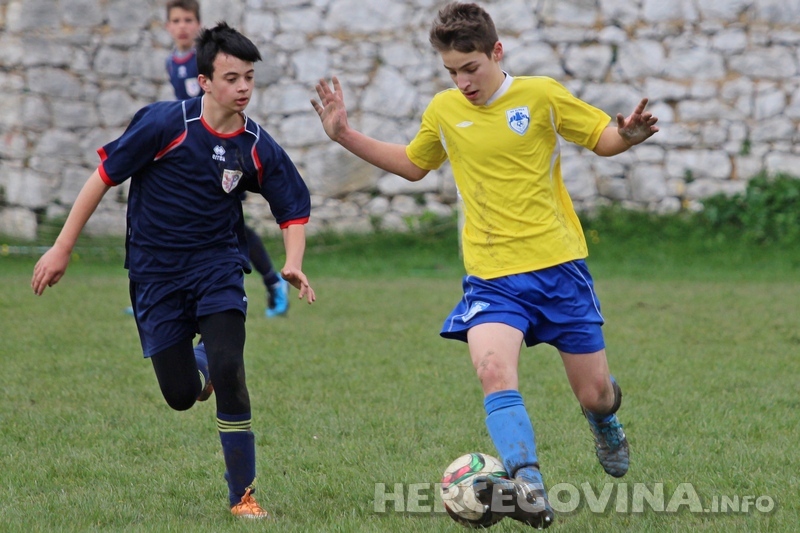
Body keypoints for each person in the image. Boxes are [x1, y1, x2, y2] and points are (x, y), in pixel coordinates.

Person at [311, 2, 657, 528]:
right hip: (492, 276)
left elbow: (602, 139)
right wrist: (344, 135)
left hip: (559, 268)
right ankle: (528, 486)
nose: (462, 81)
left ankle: (605, 418)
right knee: (493, 370)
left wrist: (627, 134)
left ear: (497, 52)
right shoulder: (445, 111)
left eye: (470, 68)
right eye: (451, 71)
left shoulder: (540, 95)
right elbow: (413, 164)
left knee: (596, 392)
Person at [32, 22, 315, 519]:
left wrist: (292, 262)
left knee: (231, 369)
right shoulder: (166, 125)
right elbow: (102, 176)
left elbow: (291, 206)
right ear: (204, 81)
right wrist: (62, 248)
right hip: (155, 274)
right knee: (182, 395)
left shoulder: (254, 145)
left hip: (218, 267)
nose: (243, 87)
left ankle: (242, 497)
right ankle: (199, 365)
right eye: (232, 78)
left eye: (249, 77)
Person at [165, 0, 290, 318]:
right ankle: (164, 287)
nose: (182, 26)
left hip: (221, 152)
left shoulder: (207, 60)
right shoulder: (172, 63)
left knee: (230, 222)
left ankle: (273, 281)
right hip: (191, 154)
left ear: (197, 24)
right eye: (176, 20)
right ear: (168, 26)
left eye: (188, 19)